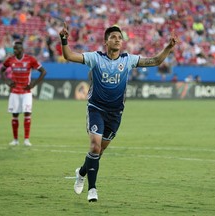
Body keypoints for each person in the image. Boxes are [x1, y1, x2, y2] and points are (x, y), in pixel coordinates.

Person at [59, 22, 178, 202]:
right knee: (94, 146)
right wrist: (64, 39)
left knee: (98, 153)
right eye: (113, 37)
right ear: (106, 41)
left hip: (115, 114)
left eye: (119, 37)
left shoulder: (127, 60)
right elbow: (68, 55)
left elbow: (155, 61)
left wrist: (168, 47)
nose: (117, 40)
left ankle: (81, 172)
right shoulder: (95, 58)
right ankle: (92, 189)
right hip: (96, 108)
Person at [0, 41, 47, 146]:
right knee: (15, 114)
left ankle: (26, 139)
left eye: (16, 49)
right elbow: (2, 70)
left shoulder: (30, 59)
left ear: (22, 50)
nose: (15, 50)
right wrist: (7, 82)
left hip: (26, 92)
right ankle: (15, 140)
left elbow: (43, 71)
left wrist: (34, 83)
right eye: (14, 49)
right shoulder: (10, 60)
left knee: (27, 113)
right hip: (15, 92)